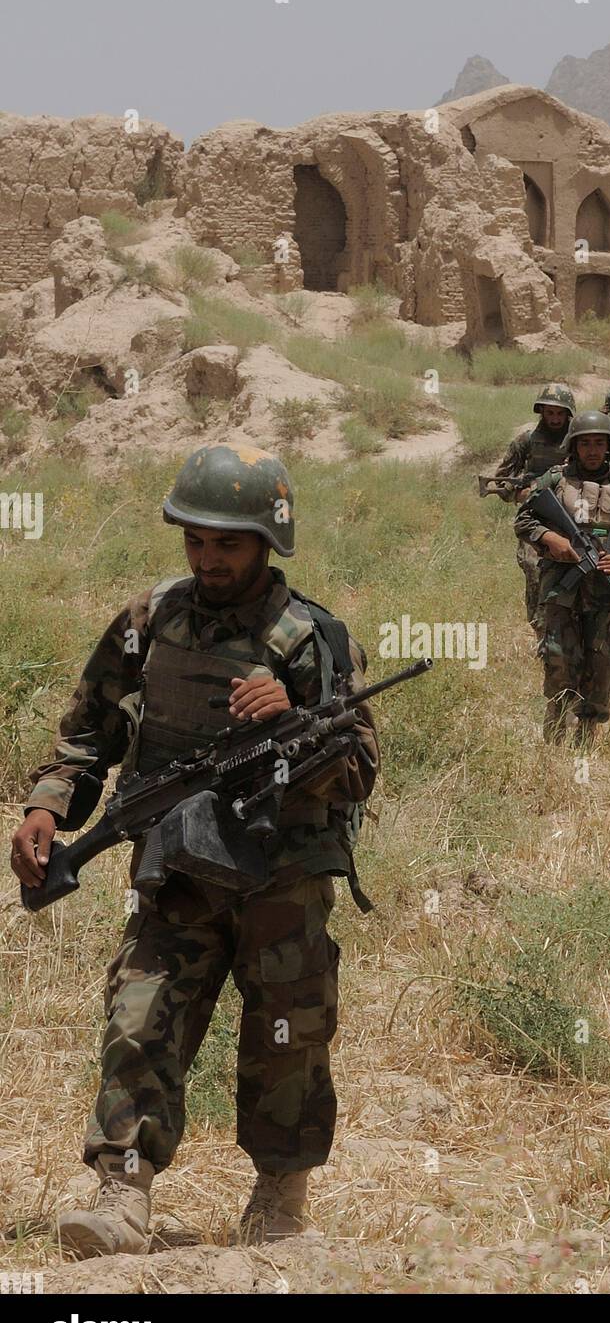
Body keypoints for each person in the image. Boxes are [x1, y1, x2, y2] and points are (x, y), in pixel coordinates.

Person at [10, 443, 379, 1257]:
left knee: (289, 1034)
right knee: (139, 1019)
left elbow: (358, 772)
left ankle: (280, 1201)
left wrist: (291, 722)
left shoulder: (313, 640)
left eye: (229, 544)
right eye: (197, 541)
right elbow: (85, 739)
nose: (209, 559)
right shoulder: (150, 623)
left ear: (267, 543)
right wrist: (47, 807)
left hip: (283, 875)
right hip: (177, 870)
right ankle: (122, 1193)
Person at [514, 411, 610, 745]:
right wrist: (550, 539)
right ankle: (554, 740)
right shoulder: (555, 480)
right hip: (561, 590)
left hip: (605, 592)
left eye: (598, 443)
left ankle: (585, 742)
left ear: (608, 446)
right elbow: (523, 520)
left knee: (603, 665)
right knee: (560, 662)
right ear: (574, 445)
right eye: (585, 443)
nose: (591, 450)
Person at [484, 382, 576, 634]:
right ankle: (541, 629)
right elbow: (502, 480)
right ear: (541, 412)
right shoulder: (526, 440)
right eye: (550, 413)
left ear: (568, 413)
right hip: (535, 517)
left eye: (560, 413)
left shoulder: (578, 439)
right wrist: (519, 493)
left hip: (574, 515)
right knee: (534, 570)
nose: (555, 419)